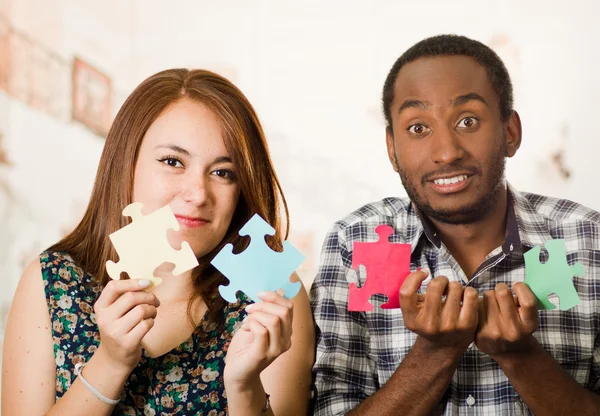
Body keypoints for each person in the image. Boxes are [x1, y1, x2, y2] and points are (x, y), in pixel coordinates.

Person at [310, 34, 600, 415]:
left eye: (468, 121)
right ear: (391, 149)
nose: (447, 153)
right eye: (418, 128)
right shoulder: (353, 242)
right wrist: (434, 353)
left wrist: (522, 359)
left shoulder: (590, 238)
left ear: (509, 132)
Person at [2, 68, 315, 416]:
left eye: (223, 172)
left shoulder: (271, 294)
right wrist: (109, 363)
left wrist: (245, 386)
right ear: (126, 163)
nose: (197, 194)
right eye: (172, 161)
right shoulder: (52, 281)